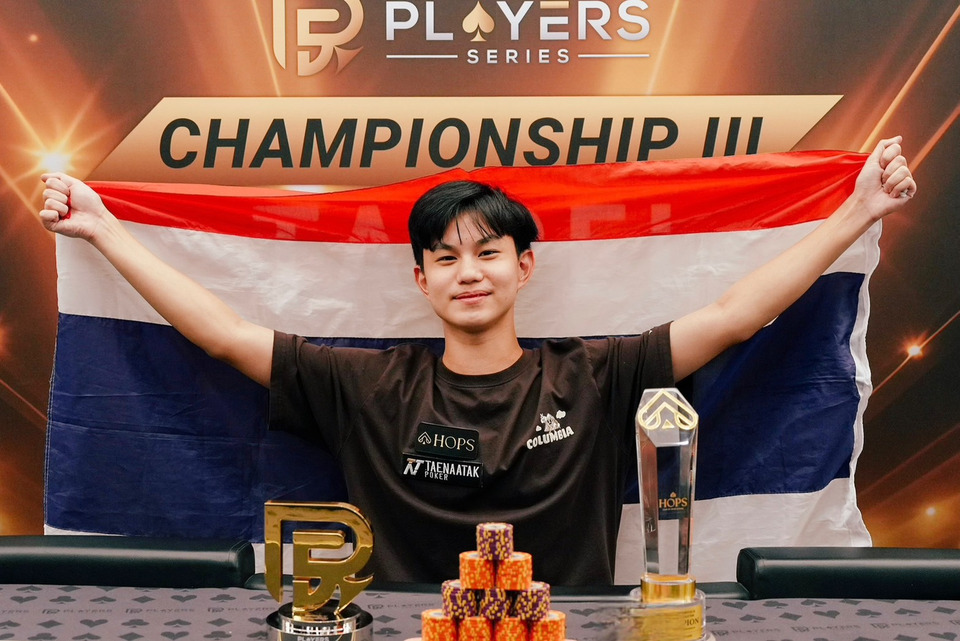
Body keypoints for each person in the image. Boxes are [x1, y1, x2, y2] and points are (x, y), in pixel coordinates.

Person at [39, 137, 916, 585]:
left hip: (565, 629)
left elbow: (733, 316)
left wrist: (856, 211)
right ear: (420, 279)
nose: (470, 272)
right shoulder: (365, 383)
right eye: (446, 257)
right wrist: (104, 231)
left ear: (524, 267)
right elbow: (225, 334)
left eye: (489, 251)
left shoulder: (595, 374)